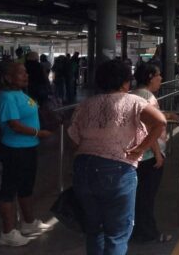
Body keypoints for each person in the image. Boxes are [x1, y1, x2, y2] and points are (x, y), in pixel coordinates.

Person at [68, 60, 166, 255]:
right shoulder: (132, 101)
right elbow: (160, 121)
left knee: (94, 229)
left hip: (83, 167)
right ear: (124, 82)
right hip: (117, 168)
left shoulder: (85, 105)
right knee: (117, 232)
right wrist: (140, 149)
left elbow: (73, 136)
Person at [0, 62, 53, 246]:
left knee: (26, 186)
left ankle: (28, 223)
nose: (25, 76)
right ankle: (7, 232)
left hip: (28, 148)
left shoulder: (20, 93)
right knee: (9, 189)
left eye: (26, 73)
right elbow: (14, 124)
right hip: (14, 149)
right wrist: (38, 133)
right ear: (8, 77)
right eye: (20, 73)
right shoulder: (6, 97)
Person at [130, 63, 178, 244]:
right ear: (150, 76)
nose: (161, 79)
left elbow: (146, 116)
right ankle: (148, 233)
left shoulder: (134, 95)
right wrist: (157, 153)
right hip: (148, 157)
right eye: (158, 75)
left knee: (137, 196)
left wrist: (166, 114)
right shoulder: (147, 96)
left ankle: (134, 230)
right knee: (146, 197)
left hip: (137, 156)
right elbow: (149, 127)